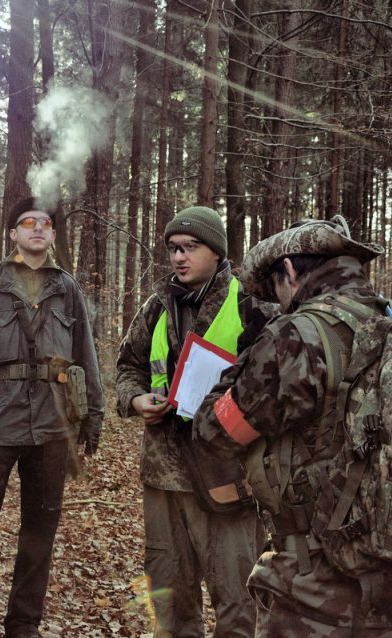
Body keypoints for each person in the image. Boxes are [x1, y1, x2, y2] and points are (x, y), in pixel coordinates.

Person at [191, 217, 392, 636]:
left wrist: (240, 371)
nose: (279, 302)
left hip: (319, 589)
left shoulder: (298, 335)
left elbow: (214, 432)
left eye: (277, 288)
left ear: (291, 273)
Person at [115, 206, 272, 637]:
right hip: (164, 476)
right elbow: (128, 365)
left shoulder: (252, 306)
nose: (180, 257)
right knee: (168, 595)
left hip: (228, 477)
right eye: (173, 249)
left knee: (237, 597)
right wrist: (135, 398)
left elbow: (277, 389)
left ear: (217, 252)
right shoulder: (157, 307)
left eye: (191, 247)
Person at [0, 197, 104, 638]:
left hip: (54, 423)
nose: (37, 228)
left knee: (39, 534)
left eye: (45, 223)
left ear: (54, 235)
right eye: (27, 222)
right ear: (12, 233)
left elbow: (86, 356)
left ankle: (23, 624)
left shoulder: (66, 287)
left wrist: (93, 414)